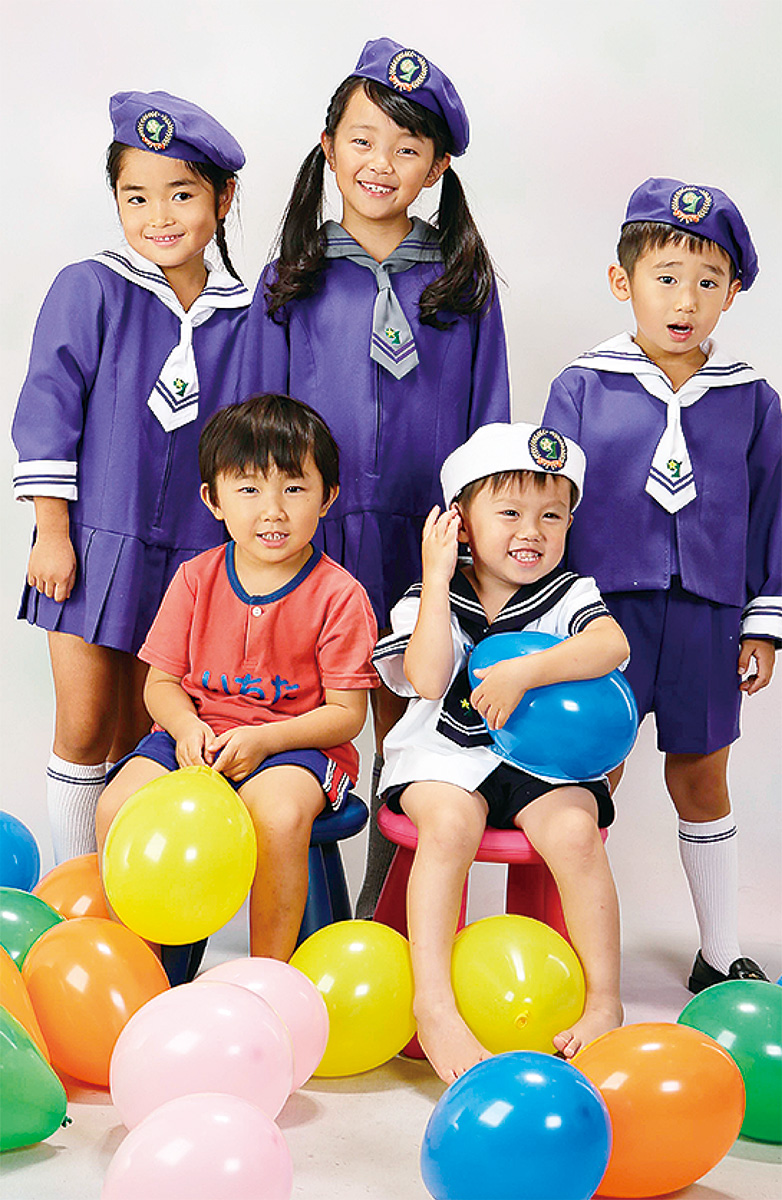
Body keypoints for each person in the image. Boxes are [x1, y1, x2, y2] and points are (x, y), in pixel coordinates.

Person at [243, 38, 511, 918]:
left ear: (436, 168)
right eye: (361, 141)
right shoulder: (292, 280)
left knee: (411, 725)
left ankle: (386, 918)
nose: (380, 164)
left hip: (424, 541)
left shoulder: (462, 283)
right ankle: (304, 916)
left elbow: (489, 423)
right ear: (329, 149)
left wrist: (475, 546)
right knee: (307, 713)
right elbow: (258, 426)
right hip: (310, 538)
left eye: (406, 147)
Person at [543, 177, 780, 991]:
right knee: (589, 773)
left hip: (709, 617)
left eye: (708, 282)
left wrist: (762, 622)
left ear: (732, 293)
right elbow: (551, 505)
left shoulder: (751, 399)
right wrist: (550, 613)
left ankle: (719, 952)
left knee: (701, 774)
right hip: (604, 615)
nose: (686, 300)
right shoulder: (582, 386)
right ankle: (574, 956)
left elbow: (772, 513)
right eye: (666, 277)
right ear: (624, 281)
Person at [12, 90, 252, 864]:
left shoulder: (247, 315)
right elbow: (48, 407)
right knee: (85, 724)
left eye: (181, 194)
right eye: (136, 197)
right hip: (93, 542)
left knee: (146, 732)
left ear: (223, 198)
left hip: (195, 555)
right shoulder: (91, 287)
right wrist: (51, 532)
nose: (159, 216)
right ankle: (77, 885)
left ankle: (129, 901)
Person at [372, 422, 629, 1082]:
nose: (531, 532)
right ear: (461, 521)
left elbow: (611, 646)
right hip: (443, 759)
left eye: (552, 516)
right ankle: (435, 1006)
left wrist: (526, 672)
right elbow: (427, 679)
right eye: (510, 513)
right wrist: (435, 577)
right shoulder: (428, 597)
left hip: (540, 763)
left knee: (575, 833)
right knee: (450, 824)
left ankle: (604, 999)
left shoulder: (569, 594)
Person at [95, 393, 379, 961]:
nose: (273, 510)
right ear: (214, 499)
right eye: (249, 490)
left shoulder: (340, 595)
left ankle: (269, 969)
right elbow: (161, 685)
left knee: (276, 815)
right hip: (195, 738)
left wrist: (265, 740)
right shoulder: (194, 578)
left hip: (295, 747)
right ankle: (143, 964)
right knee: (118, 805)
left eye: (294, 489)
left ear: (328, 497)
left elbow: (346, 715)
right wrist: (185, 730)